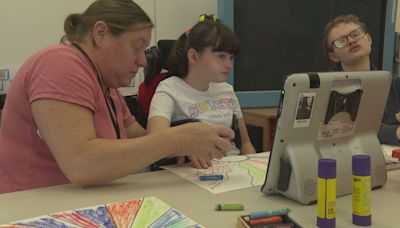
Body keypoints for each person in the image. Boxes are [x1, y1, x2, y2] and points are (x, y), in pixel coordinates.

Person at [0, 0, 234, 194]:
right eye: (137, 47)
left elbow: (140, 141)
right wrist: (178, 140)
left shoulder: (108, 87)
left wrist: (189, 144)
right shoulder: (60, 62)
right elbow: (81, 164)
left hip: (75, 203)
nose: (143, 61)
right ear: (100, 33)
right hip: (33, 209)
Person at [147, 16, 256, 169]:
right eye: (221, 56)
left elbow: (245, 143)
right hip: (193, 173)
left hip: (233, 169)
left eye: (231, 57)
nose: (229, 65)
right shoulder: (169, 89)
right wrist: (186, 145)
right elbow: (154, 142)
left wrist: (254, 167)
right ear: (193, 56)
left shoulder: (227, 90)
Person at [323, 14, 400, 146]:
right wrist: (396, 132)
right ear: (333, 56)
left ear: (369, 39)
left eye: (356, 34)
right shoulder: (327, 89)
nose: (351, 41)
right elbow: (348, 129)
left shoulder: (394, 83)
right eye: (341, 41)